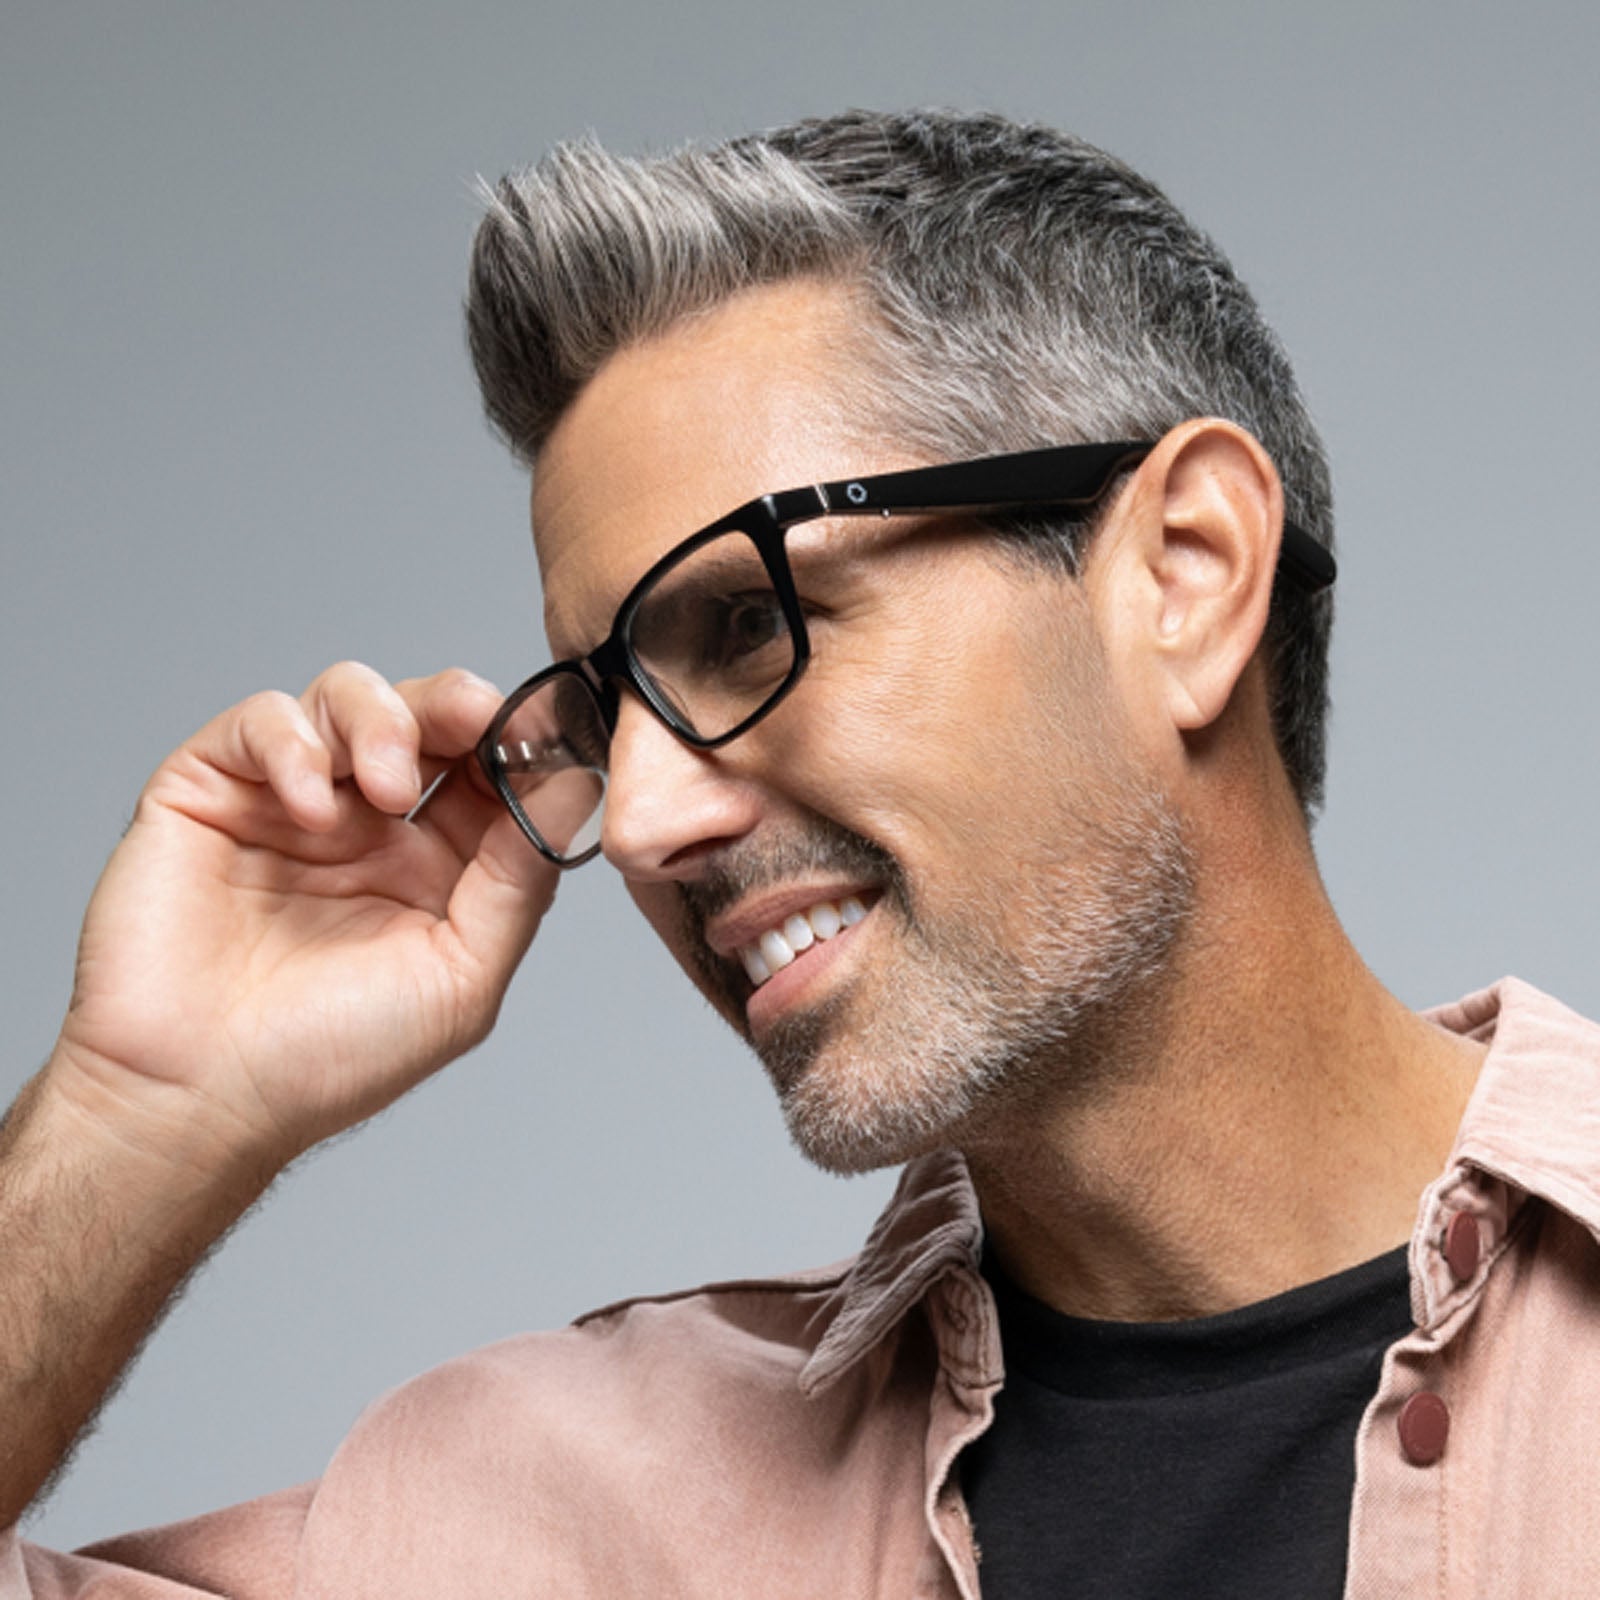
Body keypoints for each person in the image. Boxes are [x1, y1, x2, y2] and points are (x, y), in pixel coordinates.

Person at [3, 107, 1598, 1598]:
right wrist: (145, 1114)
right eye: (601, 714)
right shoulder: (561, 1523)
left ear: (1185, 573)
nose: (640, 822)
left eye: (751, 619)